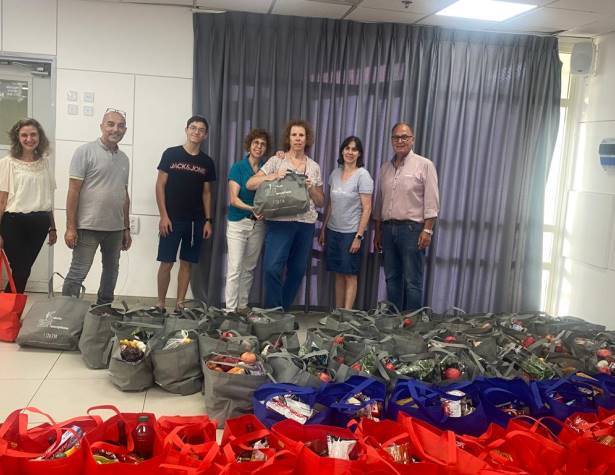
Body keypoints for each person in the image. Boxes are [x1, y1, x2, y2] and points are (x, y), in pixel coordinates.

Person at [247, 120, 324, 310]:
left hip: (305, 224)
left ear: (307, 139)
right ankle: (275, 312)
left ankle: (281, 311)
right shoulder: (276, 161)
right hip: (279, 222)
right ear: (288, 138)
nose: (297, 139)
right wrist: (273, 176)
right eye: (294, 135)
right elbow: (250, 183)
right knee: (271, 268)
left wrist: (311, 188)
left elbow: (321, 202)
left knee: (297, 271)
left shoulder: (314, 167)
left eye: (301, 135)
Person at [62, 109, 131, 304]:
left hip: (115, 229)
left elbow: (124, 194)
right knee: (78, 272)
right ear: (101, 126)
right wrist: (70, 227)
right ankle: (65, 312)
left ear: (125, 130)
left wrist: (126, 228)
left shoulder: (124, 159)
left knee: (111, 271)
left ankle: (104, 309)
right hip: (88, 227)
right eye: (110, 124)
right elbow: (73, 191)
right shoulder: (84, 152)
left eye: (120, 126)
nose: (115, 129)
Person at [373, 122, 439, 312]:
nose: (400, 141)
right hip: (387, 230)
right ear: (391, 140)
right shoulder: (385, 168)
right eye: (396, 137)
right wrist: (378, 232)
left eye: (404, 137)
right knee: (391, 278)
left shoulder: (424, 165)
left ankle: (412, 322)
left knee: (412, 281)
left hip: (412, 230)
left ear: (412, 140)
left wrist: (428, 230)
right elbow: (380, 203)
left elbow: (432, 201)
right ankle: (394, 320)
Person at [155, 115, 216, 312]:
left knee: (187, 264)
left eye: (201, 130)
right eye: (193, 128)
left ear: (205, 135)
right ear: (187, 130)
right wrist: (164, 216)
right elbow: (160, 185)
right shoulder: (171, 154)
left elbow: (207, 193)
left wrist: (208, 220)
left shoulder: (207, 162)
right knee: (166, 263)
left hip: (195, 221)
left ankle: (179, 305)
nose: (196, 132)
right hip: (171, 220)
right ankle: (160, 304)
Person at [0, 118, 57, 293]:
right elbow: (2, 200)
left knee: (23, 270)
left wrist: (53, 227)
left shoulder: (45, 162)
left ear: (40, 137)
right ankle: (9, 307)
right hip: (13, 223)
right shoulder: (8, 162)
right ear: (17, 138)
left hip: (40, 223)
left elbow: (48, 197)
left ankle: (11, 307)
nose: (29, 139)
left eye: (33, 134)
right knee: (21, 269)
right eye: (24, 135)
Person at [319, 136, 373, 309]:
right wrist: (323, 229)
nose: (350, 152)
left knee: (350, 275)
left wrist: (359, 236)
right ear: (342, 151)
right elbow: (330, 204)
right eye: (347, 148)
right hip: (333, 231)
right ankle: (338, 313)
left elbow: (367, 209)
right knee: (338, 274)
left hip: (351, 233)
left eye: (354, 149)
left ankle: (346, 315)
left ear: (359, 153)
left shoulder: (363, 175)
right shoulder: (335, 173)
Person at [225, 128, 270, 313]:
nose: (259, 147)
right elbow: (233, 200)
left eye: (263, 144)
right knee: (235, 267)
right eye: (256, 143)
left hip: (258, 225)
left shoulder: (267, 167)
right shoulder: (238, 167)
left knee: (249, 268)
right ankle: (230, 310)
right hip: (238, 222)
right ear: (249, 145)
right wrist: (253, 209)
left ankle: (242, 306)